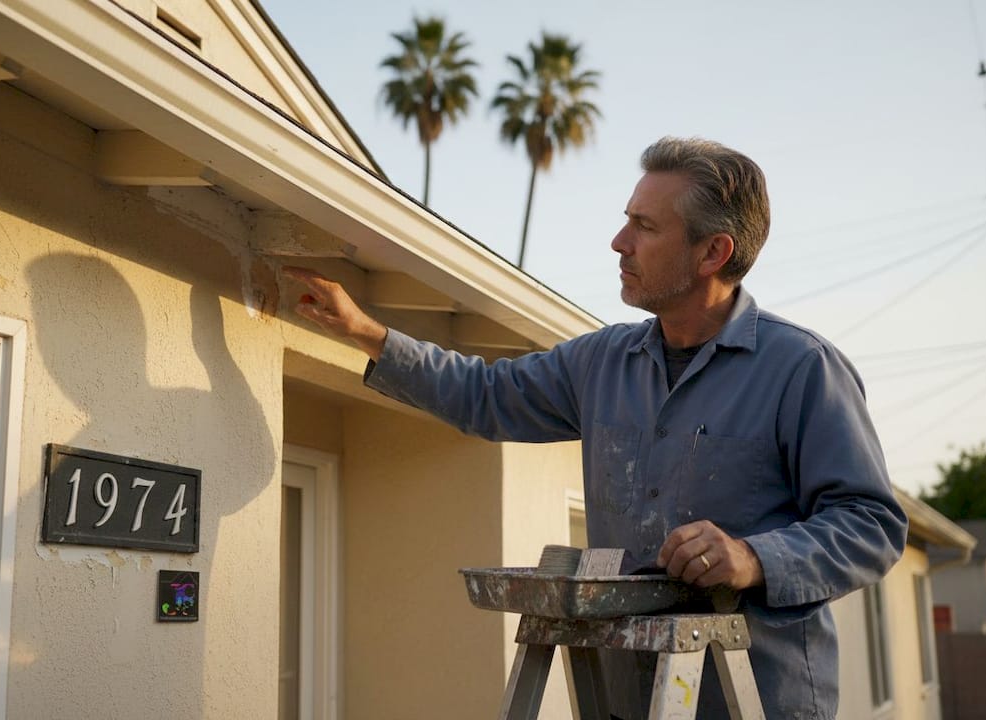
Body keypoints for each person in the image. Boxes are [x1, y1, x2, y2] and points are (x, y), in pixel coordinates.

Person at [284, 136, 907, 720]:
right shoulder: (601, 362)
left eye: (645, 226)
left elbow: (871, 523)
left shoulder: (801, 368)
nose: (619, 241)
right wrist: (364, 332)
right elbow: (485, 394)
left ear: (713, 251)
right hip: (627, 693)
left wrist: (751, 557)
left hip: (753, 698)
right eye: (626, 219)